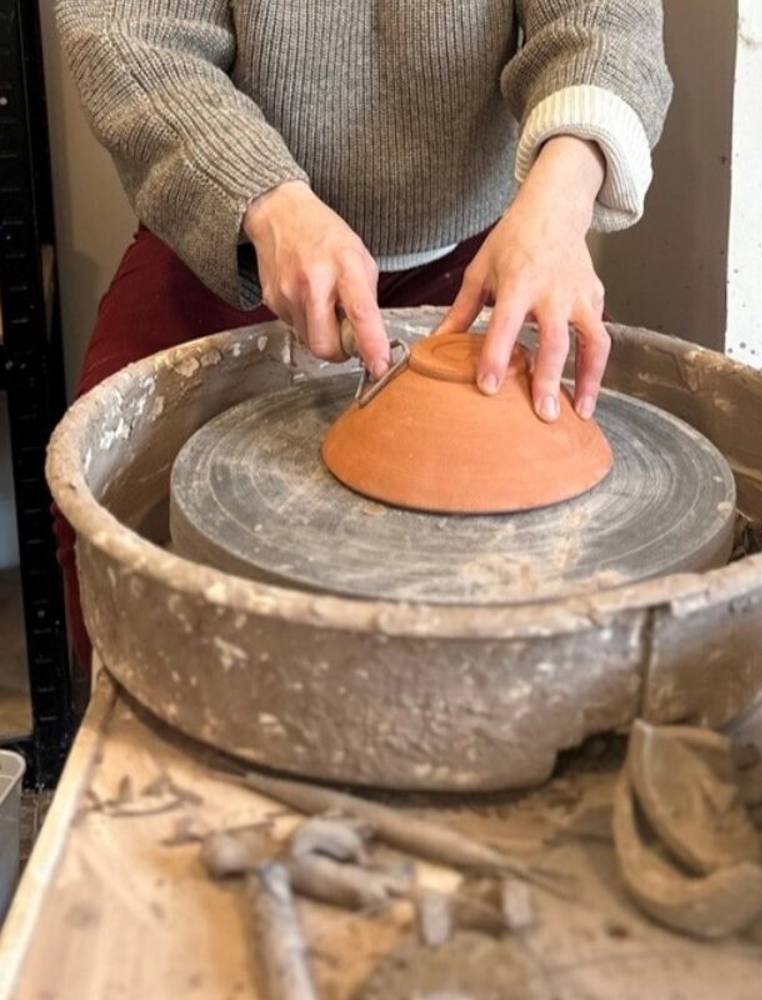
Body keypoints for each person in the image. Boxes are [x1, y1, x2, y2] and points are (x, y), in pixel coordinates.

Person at [54, 0, 672, 667]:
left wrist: (561, 198)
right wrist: (265, 200)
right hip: (238, 226)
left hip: (487, 249)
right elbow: (130, 36)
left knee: (575, 542)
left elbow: (606, 19)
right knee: (103, 507)